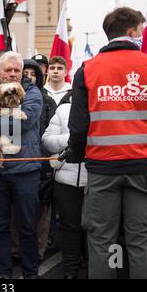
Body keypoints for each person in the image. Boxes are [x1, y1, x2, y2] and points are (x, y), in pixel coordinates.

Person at [67, 6, 147, 279]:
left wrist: (81, 154)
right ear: (132, 32)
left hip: (102, 170)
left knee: (102, 242)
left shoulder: (88, 69)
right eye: (141, 30)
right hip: (144, 169)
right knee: (141, 241)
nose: (142, 35)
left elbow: (78, 126)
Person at [0, 51, 43, 279]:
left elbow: (25, 122)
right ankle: (4, 273)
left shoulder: (32, 93)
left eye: (17, 70)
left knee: (27, 226)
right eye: (8, 70)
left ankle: (30, 273)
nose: (13, 74)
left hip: (25, 171)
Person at [42, 94, 87, 279]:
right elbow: (46, 141)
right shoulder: (63, 109)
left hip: (100, 179)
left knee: (97, 229)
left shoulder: (104, 110)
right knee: (69, 227)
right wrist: (71, 138)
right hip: (66, 180)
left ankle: (94, 267)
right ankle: (70, 270)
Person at [23, 59, 57, 263]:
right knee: (18, 212)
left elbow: (50, 133)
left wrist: (42, 156)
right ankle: (18, 250)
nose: (28, 76)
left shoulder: (48, 101)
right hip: (19, 164)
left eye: (32, 73)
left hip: (41, 163)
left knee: (41, 212)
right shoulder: (12, 97)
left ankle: (38, 250)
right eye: (24, 72)